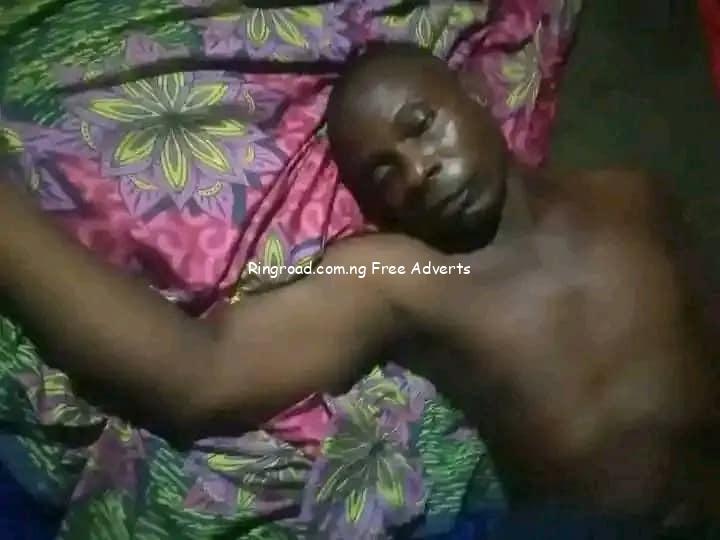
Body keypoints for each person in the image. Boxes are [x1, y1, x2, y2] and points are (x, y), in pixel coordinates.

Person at [0, 43, 717, 527]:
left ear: (474, 96)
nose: (419, 170)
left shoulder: (635, 197)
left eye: (421, 126)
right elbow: (198, 374)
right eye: (384, 173)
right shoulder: (408, 275)